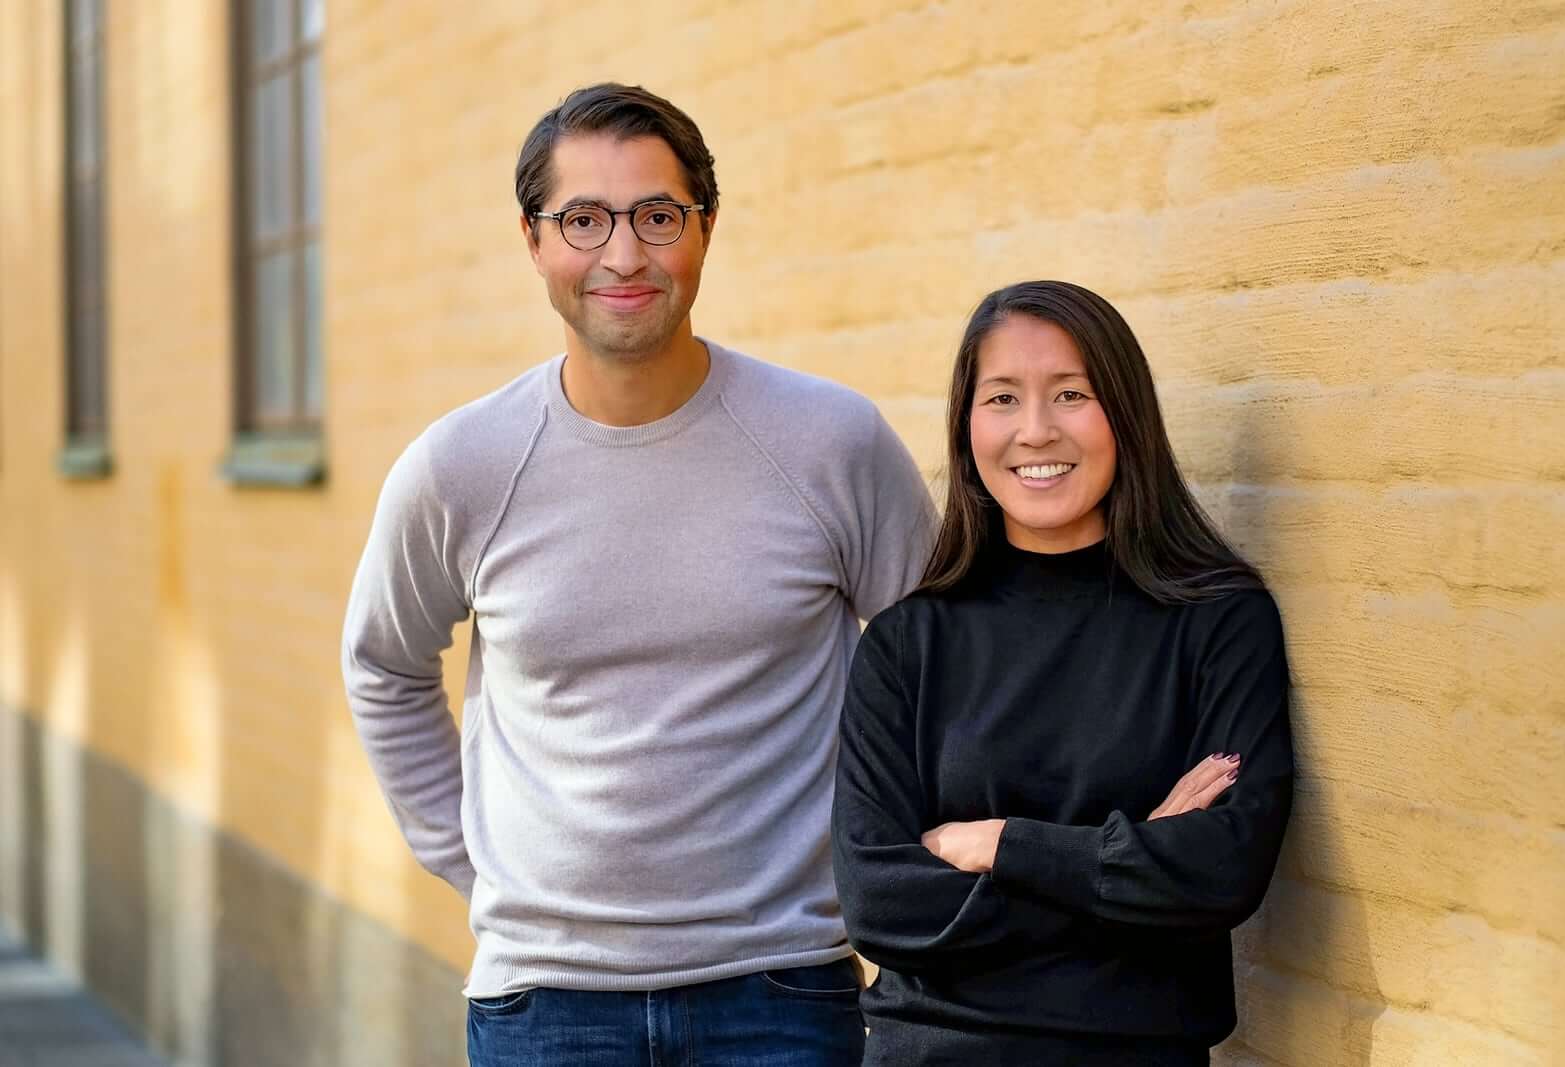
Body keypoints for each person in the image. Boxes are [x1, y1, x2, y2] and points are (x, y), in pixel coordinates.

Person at [342, 83, 935, 1066]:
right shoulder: (462, 465)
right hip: (546, 1003)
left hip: (784, 988)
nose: (623, 255)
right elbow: (383, 664)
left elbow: (931, 667)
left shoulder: (831, 441)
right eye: (584, 219)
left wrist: (875, 862)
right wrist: (474, 858)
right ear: (533, 240)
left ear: (705, 227)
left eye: (657, 216)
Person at [831, 281, 1295, 1065]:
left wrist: (1006, 845)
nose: (1035, 431)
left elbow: (1225, 869)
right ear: (967, 426)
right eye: (1003, 397)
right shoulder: (908, 643)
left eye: (1071, 394)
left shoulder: (1218, 622)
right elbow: (879, 901)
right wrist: (1133, 855)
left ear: (1125, 413)